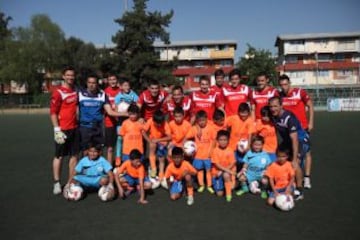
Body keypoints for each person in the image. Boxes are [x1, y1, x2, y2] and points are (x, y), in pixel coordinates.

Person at [268, 96, 310, 200]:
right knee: (277, 158)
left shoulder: (289, 118)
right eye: (271, 106)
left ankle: (299, 191)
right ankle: (283, 182)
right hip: (287, 141)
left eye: (275, 106)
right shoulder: (273, 116)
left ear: (281, 106)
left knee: (295, 164)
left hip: (300, 140)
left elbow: (295, 139)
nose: (273, 109)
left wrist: (295, 158)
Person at [278, 74, 314, 188]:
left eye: (285, 84)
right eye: (281, 85)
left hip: (302, 128)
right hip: (289, 130)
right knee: (292, 155)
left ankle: (307, 178)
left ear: (289, 83)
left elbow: (310, 105)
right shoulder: (280, 96)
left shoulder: (300, 92)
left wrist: (311, 122)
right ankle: (292, 179)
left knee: (306, 153)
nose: (284, 87)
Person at [50, 66, 79, 195]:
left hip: (74, 129)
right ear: (63, 76)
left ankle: (70, 182)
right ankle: (56, 183)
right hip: (62, 130)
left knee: (74, 156)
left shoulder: (76, 90)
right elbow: (53, 112)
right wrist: (57, 130)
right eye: (68, 75)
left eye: (72, 75)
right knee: (59, 156)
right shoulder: (58, 92)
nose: (70, 77)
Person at [78, 74, 125, 154]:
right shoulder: (80, 94)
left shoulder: (102, 95)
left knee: (98, 151)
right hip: (85, 127)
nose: (91, 85)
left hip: (98, 128)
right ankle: (85, 166)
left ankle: (99, 166)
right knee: (85, 151)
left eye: (94, 83)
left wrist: (128, 114)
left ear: (97, 84)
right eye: (89, 83)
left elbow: (110, 112)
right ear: (87, 83)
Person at [184, 110, 216, 194]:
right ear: (197, 121)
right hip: (197, 155)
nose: (202, 122)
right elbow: (186, 137)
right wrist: (184, 148)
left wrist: (211, 152)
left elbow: (214, 141)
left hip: (208, 155)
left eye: (203, 120)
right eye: (200, 121)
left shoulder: (211, 128)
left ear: (206, 119)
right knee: (200, 171)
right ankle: (201, 185)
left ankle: (209, 185)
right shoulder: (194, 129)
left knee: (208, 171)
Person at [113, 77, 139, 166]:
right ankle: (118, 156)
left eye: (128, 85)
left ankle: (132, 157)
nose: (127, 87)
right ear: (120, 87)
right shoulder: (118, 96)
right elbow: (116, 110)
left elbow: (137, 106)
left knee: (130, 138)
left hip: (131, 120)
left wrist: (132, 113)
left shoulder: (133, 95)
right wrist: (121, 114)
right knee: (120, 138)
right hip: (121, 121)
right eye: (125, 85)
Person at [142, 110, 171, 183]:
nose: (159, 125)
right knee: (152, 147)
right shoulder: (150, 121)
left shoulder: (165, 124)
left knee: (161, 157)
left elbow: (169, 137)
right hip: (153, 141)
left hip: (161, 141)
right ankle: (153, 169)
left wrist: (158, 140)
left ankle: (161, 174)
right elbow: (143, 132)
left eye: (160, 123)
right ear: (153, 120)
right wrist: (149, 141)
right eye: (157, 123)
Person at [211, 130, 236, 202]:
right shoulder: (215, 150)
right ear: (217, 140)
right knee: (219, 194)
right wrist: (224, 171)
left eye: (225, 140)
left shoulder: (230, 150)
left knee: (226, 175)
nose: (223, 142)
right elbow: (216, 164)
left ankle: (228, 194)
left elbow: (232, 163)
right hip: (217, 173)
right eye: (221, 140)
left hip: (225, 172)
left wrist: (223, 171)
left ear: (228, 140)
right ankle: (224, 185)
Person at [103, 72, 121, 164]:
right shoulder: (105, 92)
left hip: (121, 122)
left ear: (117, 80)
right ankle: (109, 167)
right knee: (110, 148)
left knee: (121, 144)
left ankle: (120, 166)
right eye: (110, 80)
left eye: (114, 79)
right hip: (109, 122)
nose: (112, 81)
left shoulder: (121, 90)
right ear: (108, 81)